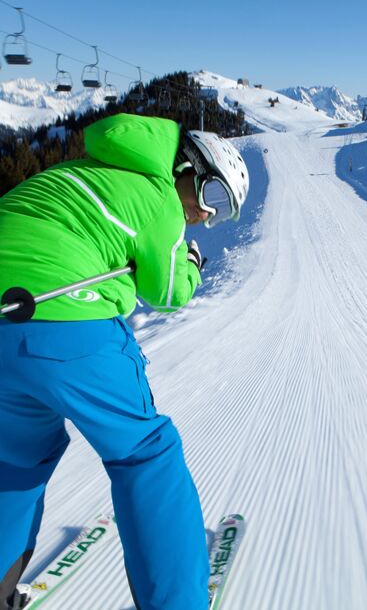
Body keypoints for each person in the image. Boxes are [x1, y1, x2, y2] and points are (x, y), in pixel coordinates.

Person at [0, 113, 249, 610]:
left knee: (15, 459)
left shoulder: (81, 171)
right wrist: (193, 266)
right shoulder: (159, 199)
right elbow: (168, 292)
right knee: (146, 453)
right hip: (62, 321)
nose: (205, 215)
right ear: (186, 168)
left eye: (218, 210)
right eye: (211, 196)